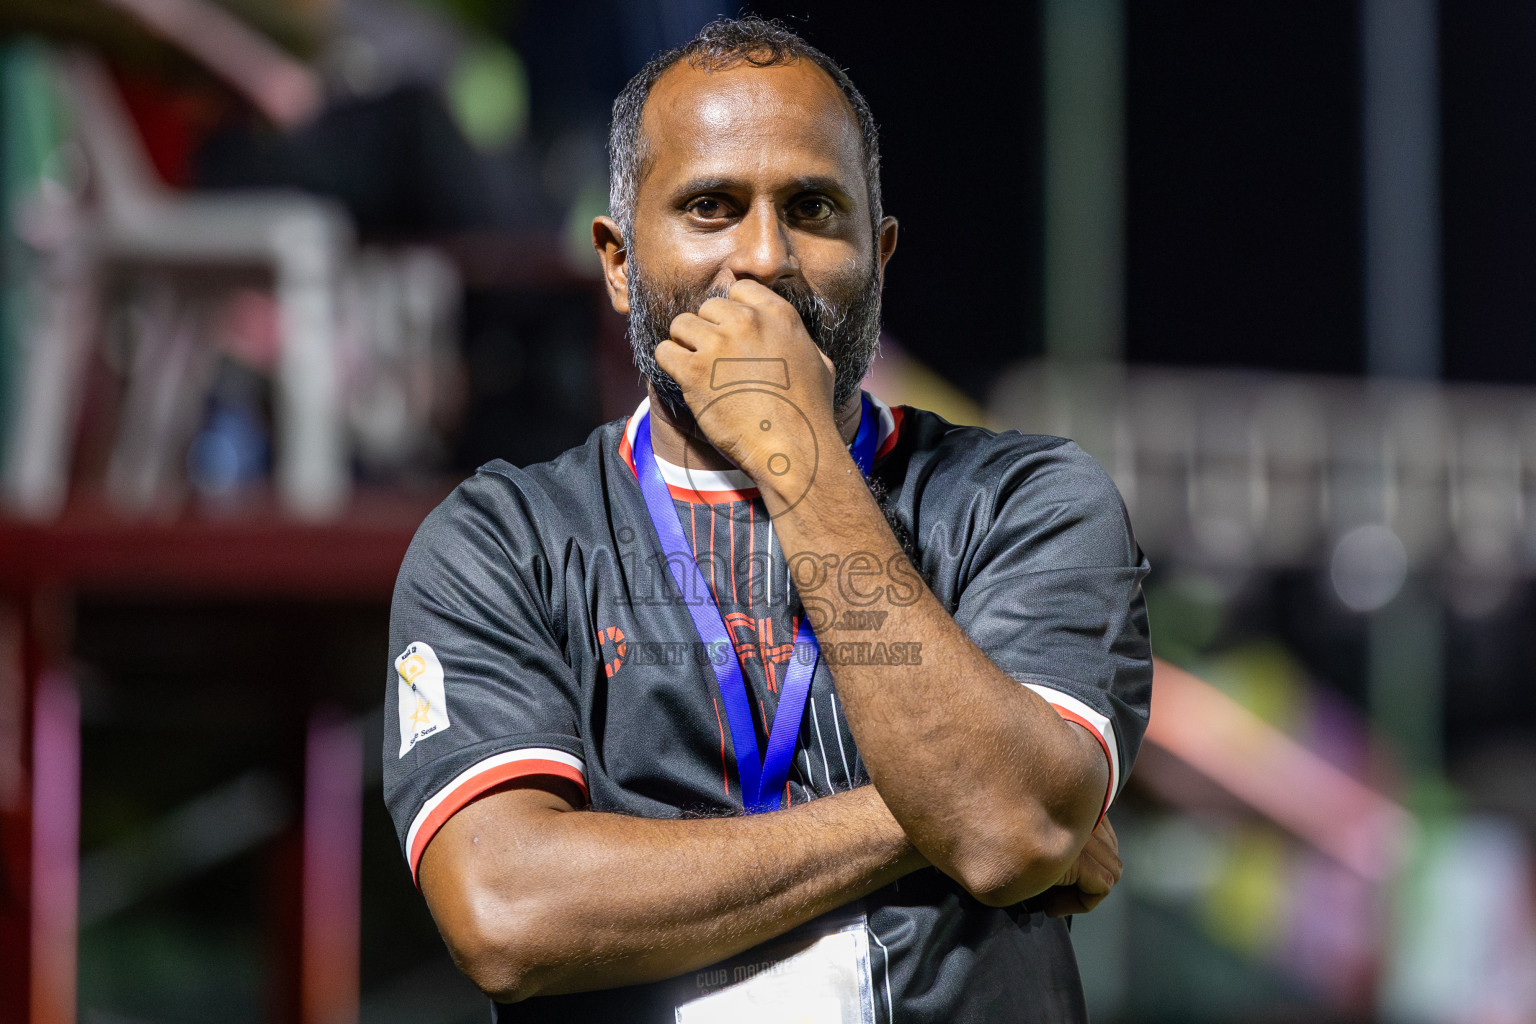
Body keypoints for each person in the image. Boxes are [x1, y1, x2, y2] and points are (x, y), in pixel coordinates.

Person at [384, 16, 1151, 1022]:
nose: (763, 257)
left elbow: (1009, 827)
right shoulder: (502, 540)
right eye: (710, 205)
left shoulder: (1027, 502)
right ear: (617, 261)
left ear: (878, 256)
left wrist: (796, 457)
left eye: (813, 208)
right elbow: (508, 911)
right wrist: (934, 817)